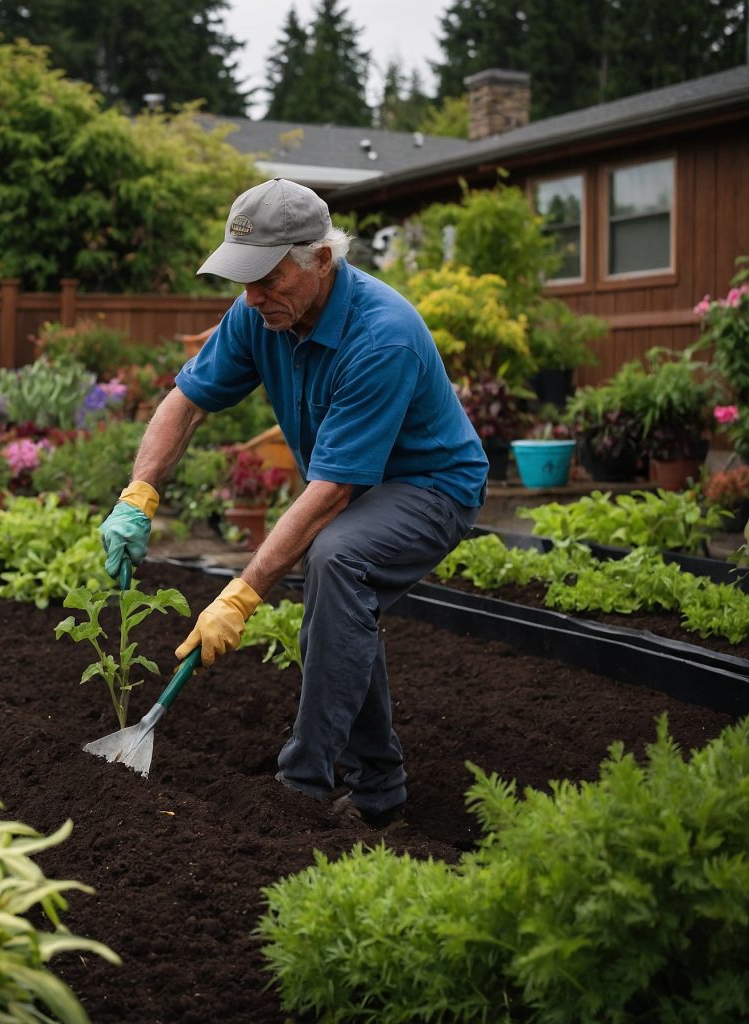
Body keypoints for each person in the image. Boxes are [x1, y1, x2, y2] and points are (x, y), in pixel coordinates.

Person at [99, 177, 488, 828]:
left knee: (337, 560)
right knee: (340, 595)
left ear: (322, 260)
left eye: (269, 279)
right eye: (242, 279)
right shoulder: (259, 315)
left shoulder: (380, 335)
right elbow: (186, 401)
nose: (252, 297)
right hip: (353, 487)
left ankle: (301, 786)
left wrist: (241, 594)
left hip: (431, 485)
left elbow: (332, 493)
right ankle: (381, 793)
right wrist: (139, 494)